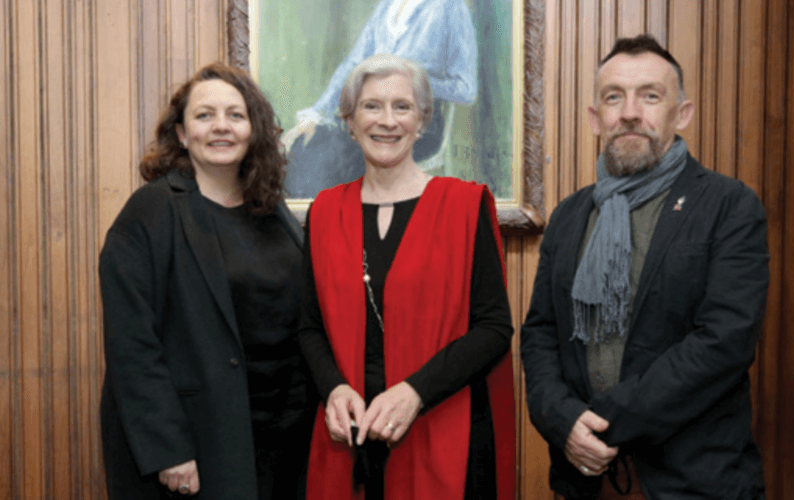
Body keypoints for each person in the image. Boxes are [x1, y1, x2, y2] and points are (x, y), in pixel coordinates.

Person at [520, 35, 769, 500]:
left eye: (650, 95)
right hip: (583, 481)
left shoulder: (728, 206)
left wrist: (601, 422)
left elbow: (724, 342)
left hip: (692, 481)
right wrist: (563, 420)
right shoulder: (570, 216)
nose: (630, 111)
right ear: (596, 118)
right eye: (614, 97)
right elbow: (540, 333)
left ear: (682, 113)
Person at [298, 53, 515, 500]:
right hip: (349, 437)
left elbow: (494, 328)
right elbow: (308, 325)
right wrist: (333, 388)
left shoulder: (464, 206)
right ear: (350, 121)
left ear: (422, 121)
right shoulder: (323, 212)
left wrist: (416, 392)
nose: (387, 120)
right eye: (371, 106)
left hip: (440, 427)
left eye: (402, 106)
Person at [99, 62, 314, 500]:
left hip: (282, 437)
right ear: (181, 133)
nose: (222, 127)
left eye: (236, 115)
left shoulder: (272, 209)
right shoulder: (151, 212)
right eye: (204, 115)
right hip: (197, 442)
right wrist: (167, 450)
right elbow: (132, 344)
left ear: (253, 130)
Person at [281, 0, 477, 197]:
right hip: (370, 117)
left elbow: (466, 89)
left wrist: (409, 80)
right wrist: (318, 113)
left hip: (417, 126)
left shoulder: (449, 6)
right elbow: (355, 63)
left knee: (336, 156)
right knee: (308, 144)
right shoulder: (387, 5)